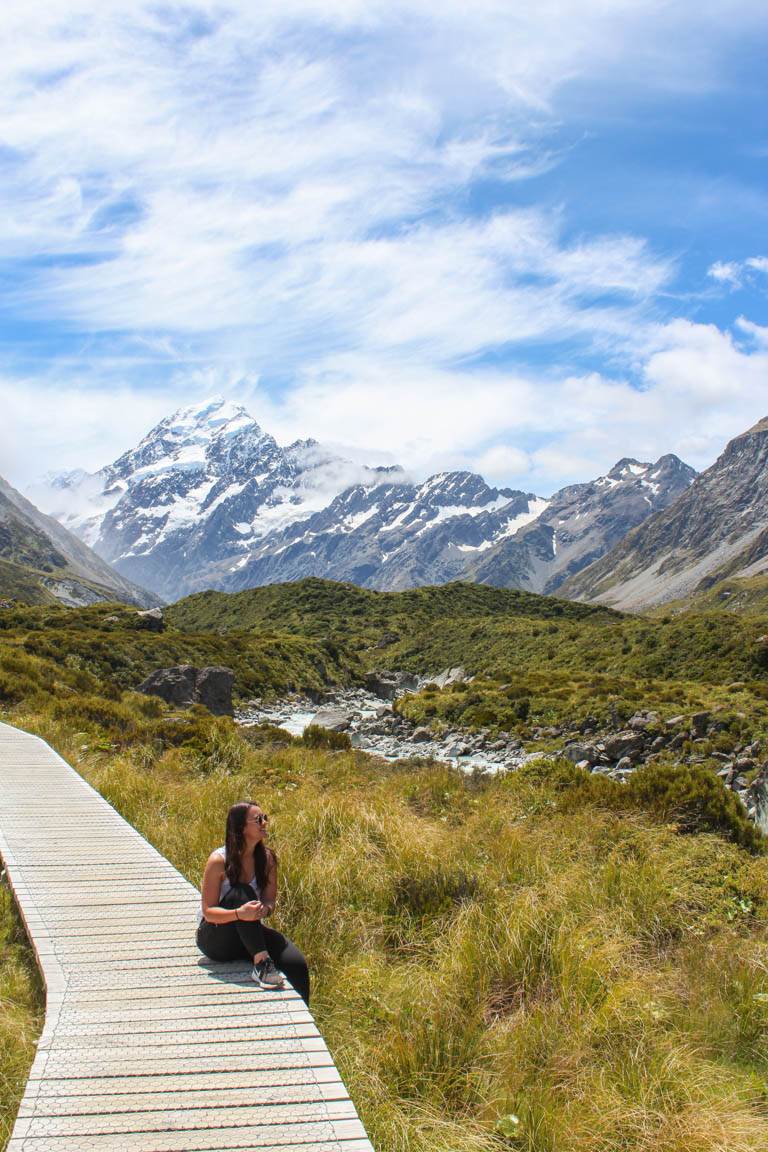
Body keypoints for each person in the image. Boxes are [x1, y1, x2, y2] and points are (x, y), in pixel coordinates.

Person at [196, 800, 310, 1004]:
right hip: (215, 937)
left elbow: (269, 900)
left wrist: (263, 911)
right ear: (241, 827)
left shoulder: (267, 859)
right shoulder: (218, 861)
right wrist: (239, 914)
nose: (264, 823)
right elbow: (208, 912)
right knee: (242, 891)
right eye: (258, 819)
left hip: (247, 932)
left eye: (265, 818)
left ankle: (307, 1011)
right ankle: (262, 964)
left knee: (296, 963)